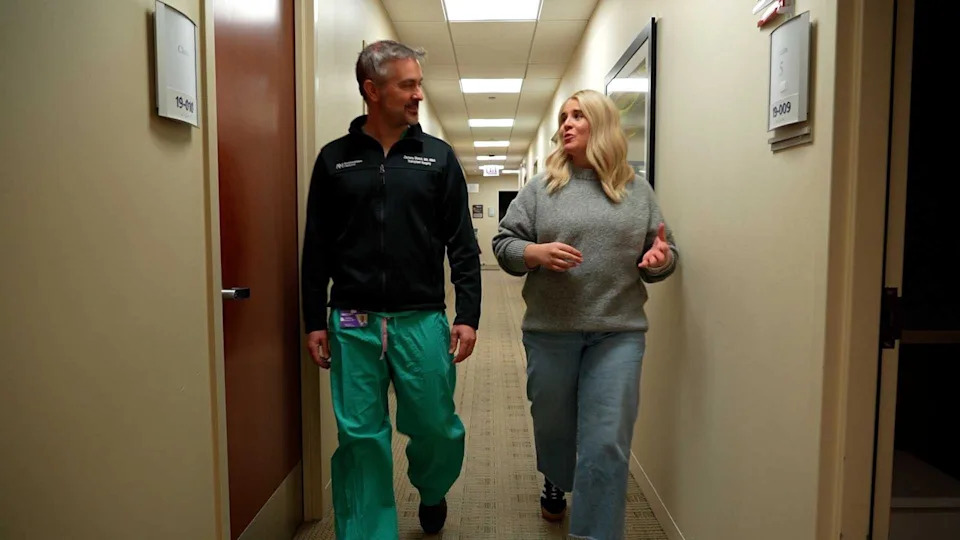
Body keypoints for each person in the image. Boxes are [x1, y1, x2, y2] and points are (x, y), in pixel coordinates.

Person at [301, 40, 481, 539]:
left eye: (419, 84)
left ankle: (432, 488)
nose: (418, 94)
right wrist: (314, 319)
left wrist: (468, 314)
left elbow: (462, 244)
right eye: (408, 85)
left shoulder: (437, 158)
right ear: (372, 90)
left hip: (421, 319)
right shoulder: (334, 161)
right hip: (352, 321)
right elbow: (316, 248)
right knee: (360, 437)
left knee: (436, 428)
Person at [492, 89, 678, 540]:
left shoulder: (636, 191)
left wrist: (660, 260)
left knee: (607, 441)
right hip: (551, 332)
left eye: (578, 116)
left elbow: (663, 251)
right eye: (563, 117)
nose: (567, 124)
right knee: (554, 427)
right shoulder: (542, 189)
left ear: (603, 124)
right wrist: (534, 253)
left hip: (618, 333)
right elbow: (504, 243)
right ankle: (556, 477)